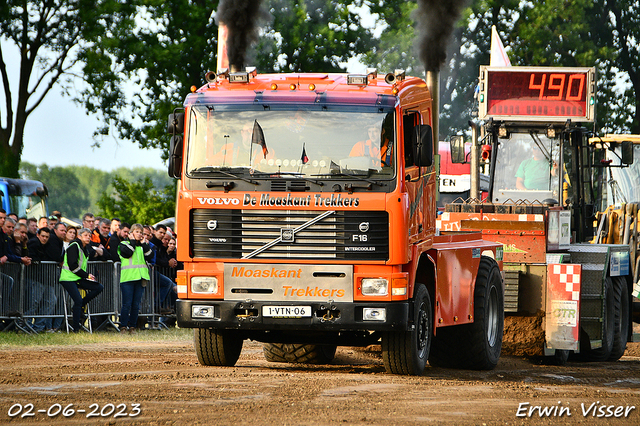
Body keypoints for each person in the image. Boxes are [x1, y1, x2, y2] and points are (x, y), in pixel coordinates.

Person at [59, 228, 104, 332]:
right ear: (79, 236)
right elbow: (72, 266)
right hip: (68, 278)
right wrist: (87, 275)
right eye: (85, 235)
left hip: (78, 278)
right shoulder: (74, 246)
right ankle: (76, 329)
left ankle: (80, 306)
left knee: (98, 287)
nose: (88, 237)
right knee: (78, 300)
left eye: (89, 235)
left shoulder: (85, 248)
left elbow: (99, 253)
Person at [117, 223, 153, 334]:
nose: (139, 234)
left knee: (136, 304)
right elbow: (127, 253)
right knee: (127, 304)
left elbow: (150, 256)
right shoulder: (123, 244)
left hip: (140, 277)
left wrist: (144, 245)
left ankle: (132, 327)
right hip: (128, 278)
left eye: (141, 232)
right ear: (131, 233)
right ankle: (123, 326)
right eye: (137, 232)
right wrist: (132, 241)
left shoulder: (143, 245)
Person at [26, 227, 58, 332]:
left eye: (47, 237)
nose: (44, 238)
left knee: (51, 301)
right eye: (43, 236)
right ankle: (27, 326)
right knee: (33, 302)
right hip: (35, 278)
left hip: (46, 278)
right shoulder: (33, 243)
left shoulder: (49, 245)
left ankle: (39, 327)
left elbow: (55, 256)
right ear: (38, 235)